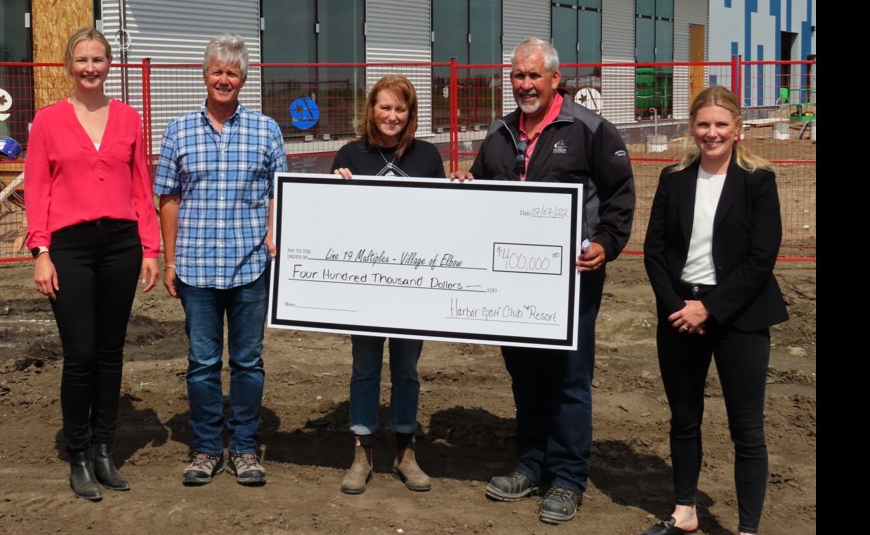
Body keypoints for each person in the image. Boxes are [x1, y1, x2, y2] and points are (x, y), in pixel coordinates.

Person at [451, 37, 635, 525]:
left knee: (569, 379)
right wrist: (467, 187)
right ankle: (531, 465)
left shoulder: (590, 130)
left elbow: (620, 196)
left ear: (556, 78)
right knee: (525, 374)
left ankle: (568, 478)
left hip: (571, 280)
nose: (525, 84)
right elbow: (483, 189)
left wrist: (605, 244)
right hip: (510, 283)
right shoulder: (500, 132)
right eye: (517, 75)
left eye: (534, 75)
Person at [640, 86, 787, 535]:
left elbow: (762, 258)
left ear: (738, 129)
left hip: (740, 318)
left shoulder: (758, 181)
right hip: (680, 315)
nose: (712, 133)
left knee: (747, 428)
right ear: (692, 128)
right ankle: (685, 510)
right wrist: (678, 307)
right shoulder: (674, 177)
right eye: (704, 124)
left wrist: (709, 309)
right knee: (684, 419)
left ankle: (746, 528)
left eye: (721, 124)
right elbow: (654, 251)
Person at [24, 27, 161, 501]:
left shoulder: (128, 118)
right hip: (70, 248)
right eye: (81, 60)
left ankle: (105, 448)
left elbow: (141, 185)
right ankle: (78, 455)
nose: (89, 68)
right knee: (80, 354)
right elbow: (37, 189)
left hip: (121, 244)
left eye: (98, 60)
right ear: (69, 65)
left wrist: (150, 247)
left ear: (109, 65)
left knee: (110, 352)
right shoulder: (47, 122)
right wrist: (40, 251)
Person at [153, 35, 286, 487]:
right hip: (195, 268)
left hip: (250, 267)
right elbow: (168, 198)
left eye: (232, 72)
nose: (223, 79)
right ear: (205, 75)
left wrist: (272, 233)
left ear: (243, 79)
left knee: (248, 362)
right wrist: (170, 262)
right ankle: (208, 448)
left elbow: (277, 191)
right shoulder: (179, 130)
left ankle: (245, 448)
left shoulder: (266, 129)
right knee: (203, 363)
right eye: (216, 71)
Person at [330, 74, 445, 495]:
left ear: (410, 114)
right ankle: (362, 451)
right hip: (365, 289)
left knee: (407, 370)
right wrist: (334, 189)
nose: (392, 116)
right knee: (364, 368)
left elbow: (442, 222)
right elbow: (331, 225)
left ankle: (405, 451)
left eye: (400, 109)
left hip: (412, 289)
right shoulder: (349, 155)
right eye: (385, 107)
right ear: (371, 110)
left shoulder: (428, 157)